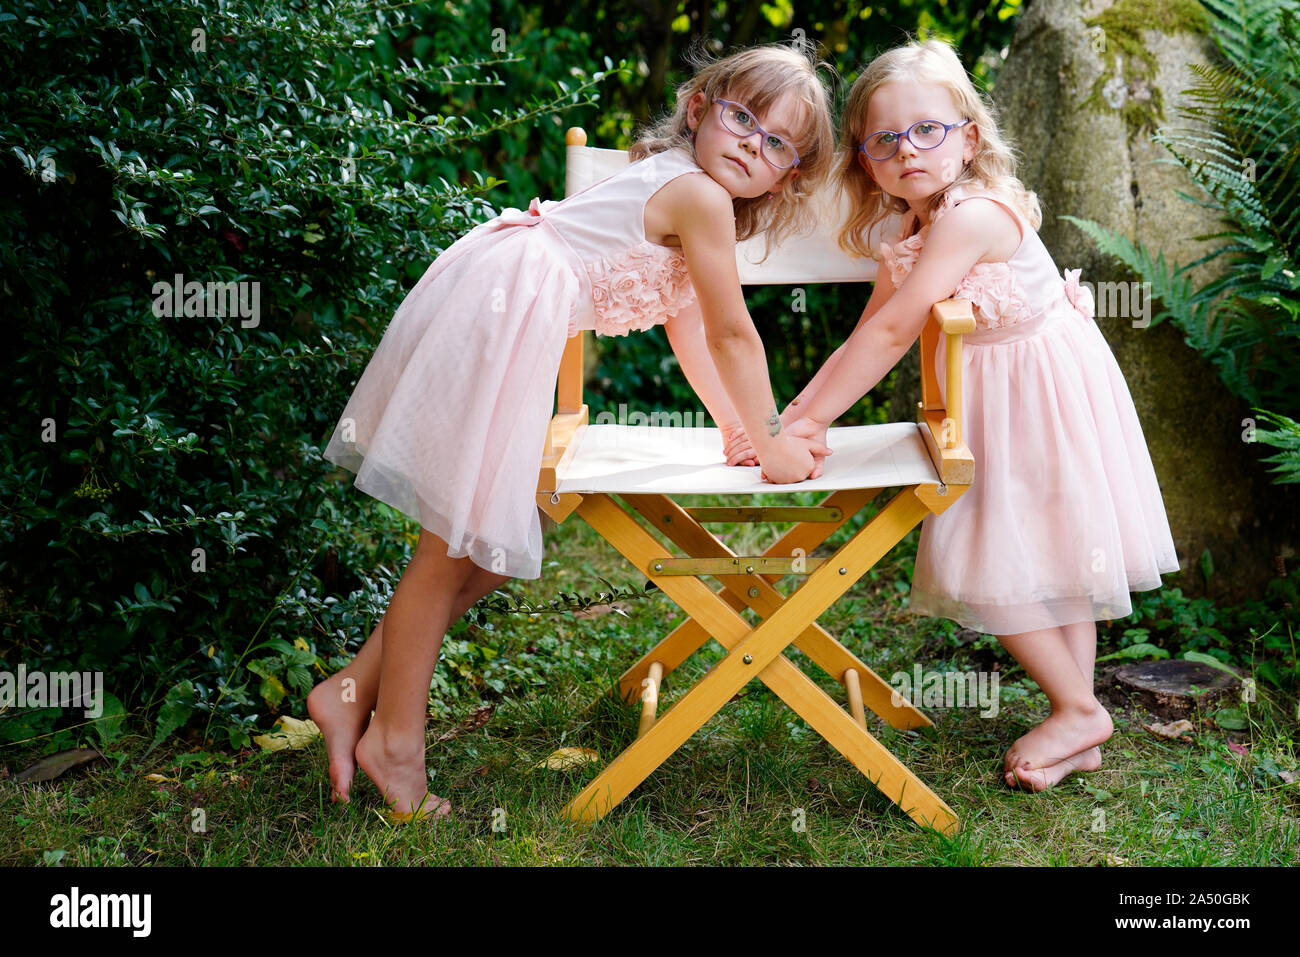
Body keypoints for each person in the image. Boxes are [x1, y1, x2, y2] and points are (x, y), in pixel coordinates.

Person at [309, 39, 837, 820]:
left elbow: (687, 323)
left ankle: (349, 689)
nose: (751, 144)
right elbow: (733, 333)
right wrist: (774, 436)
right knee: (447, 547)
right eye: (741, 117)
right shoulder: (699, 197)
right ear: (699, 109)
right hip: (501, 316)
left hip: (508, 309)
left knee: (482, 556)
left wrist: (735, 426)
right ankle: (395, 743)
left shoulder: (692, 196)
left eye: (776, 143)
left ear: (787, 172)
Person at [782, 39, 1179, 791]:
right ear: (866, 159)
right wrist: (804, 414)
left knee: (997, 550)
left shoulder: (970, 217)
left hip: (1039, 387)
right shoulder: (911, 225)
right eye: (885, 140)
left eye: (927, 129)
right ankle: (1080, 719)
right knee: (1054, 546)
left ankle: (1075, 709)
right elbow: (872, 331)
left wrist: (804, 424)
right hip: (999, 385)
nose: (908, 151)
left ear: (968, 136)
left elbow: (897, 332)